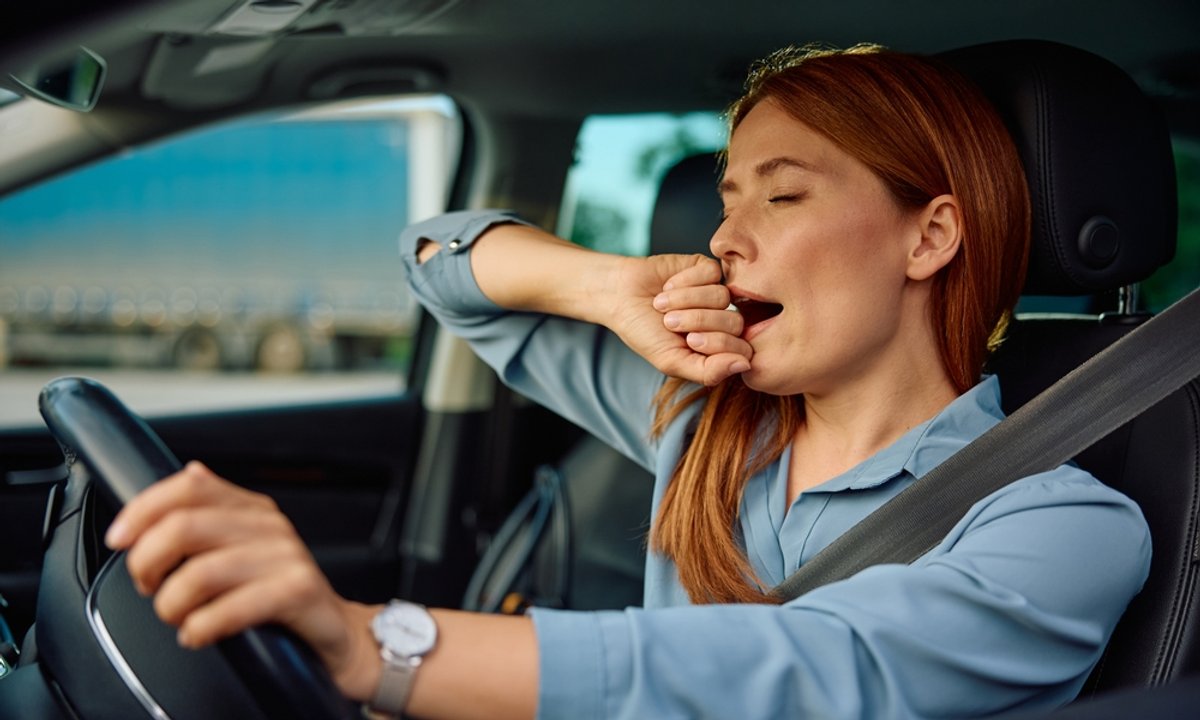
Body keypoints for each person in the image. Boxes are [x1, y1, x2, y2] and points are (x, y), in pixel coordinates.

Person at [104, 44, 1151, 719]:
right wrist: (607, 287)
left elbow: (809, 670)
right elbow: (437, 262)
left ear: (929, 236)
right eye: (724, 199)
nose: (725, 240)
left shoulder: (1067, 527)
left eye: (781, 199)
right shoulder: (701, 411)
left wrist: (381, 642)